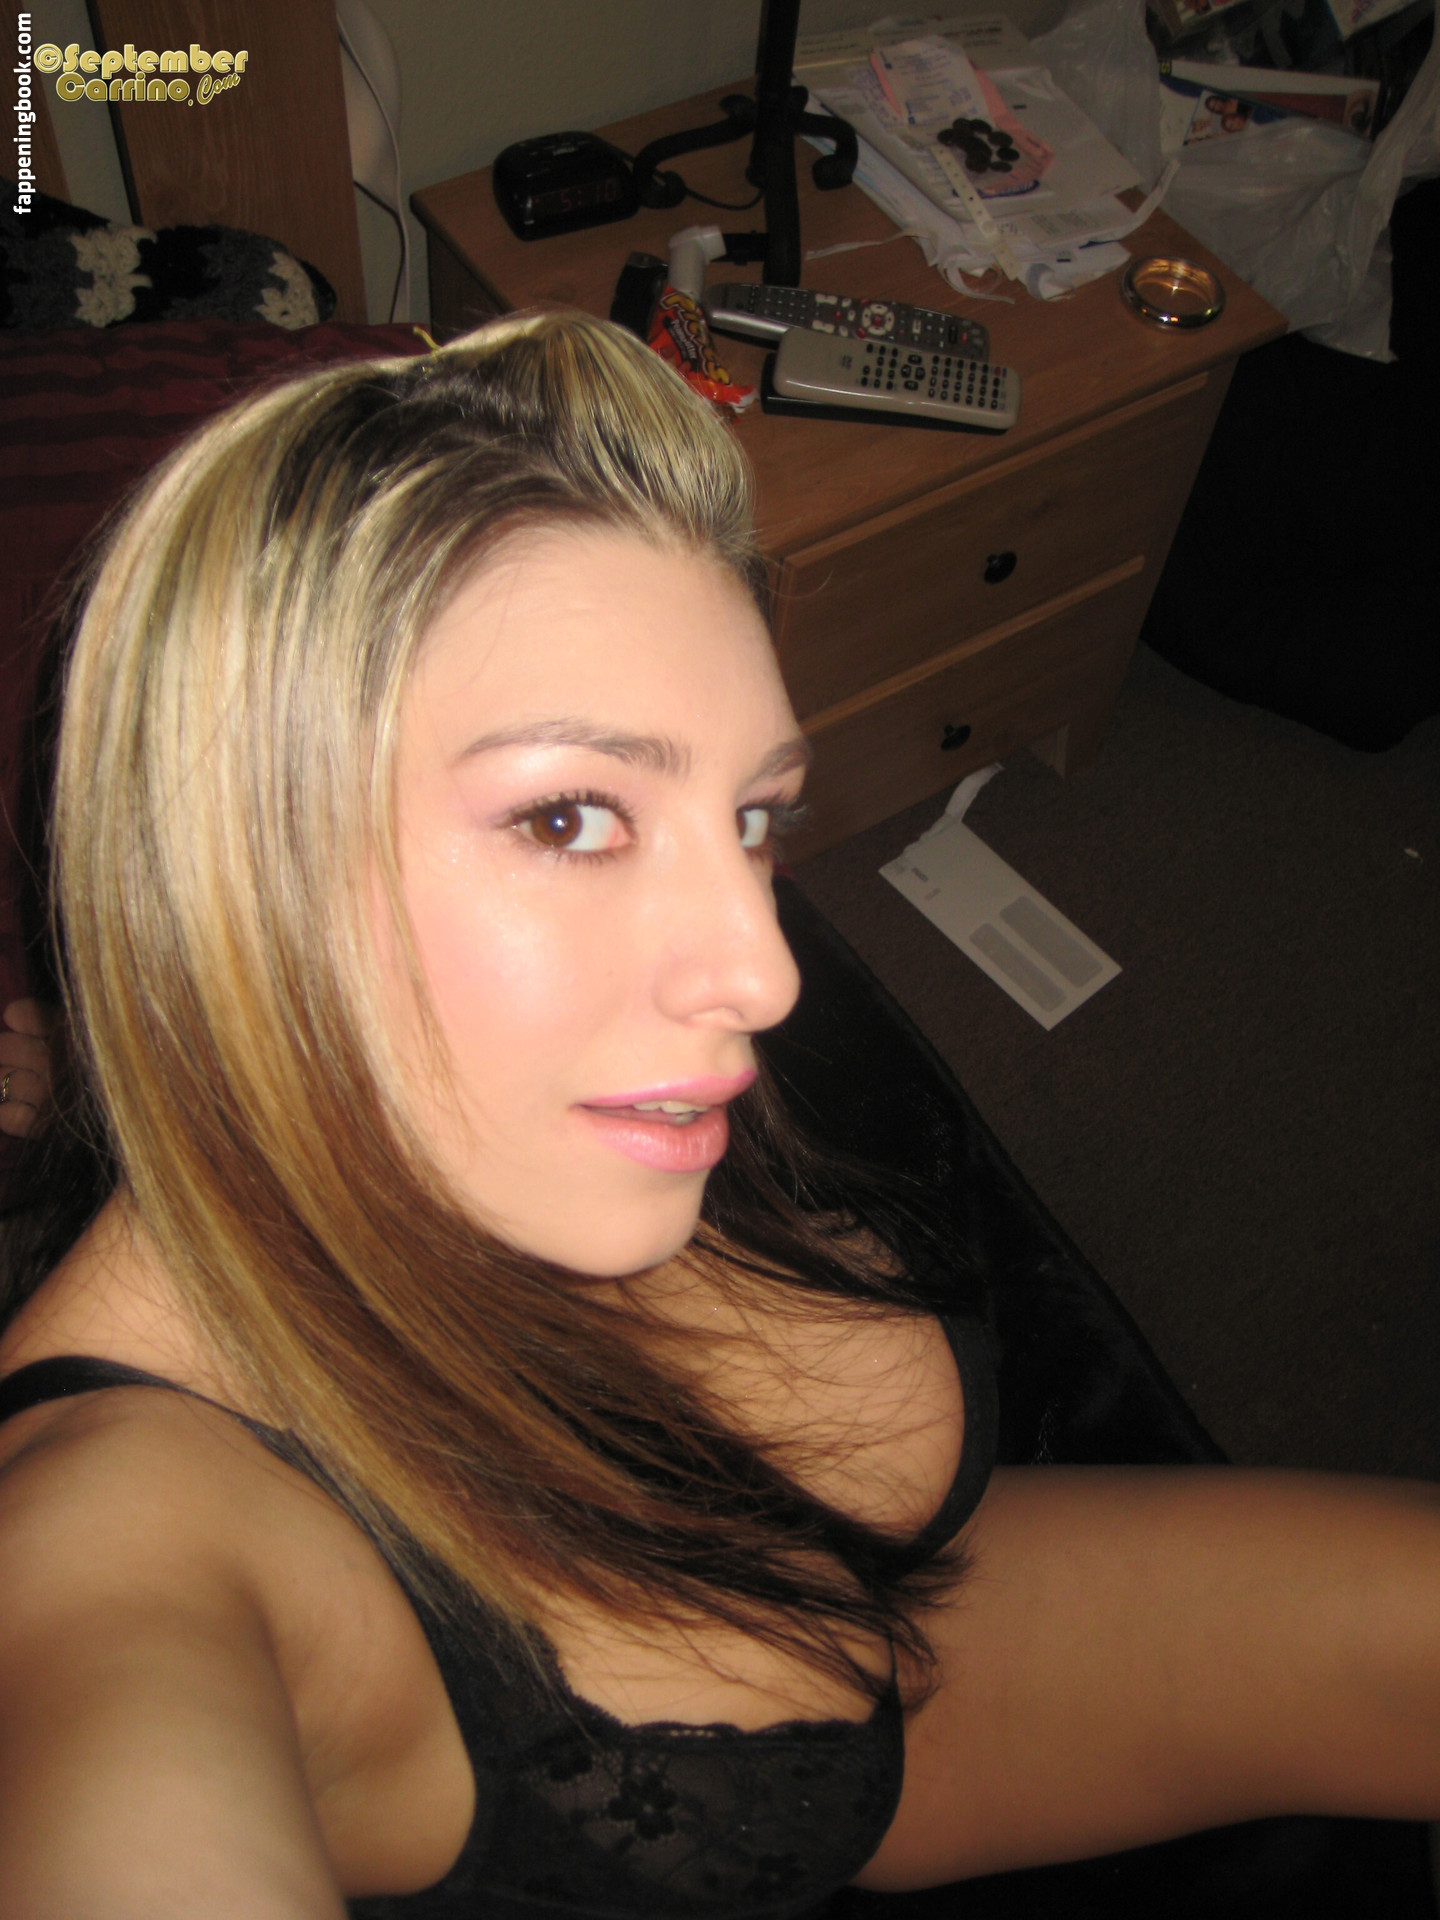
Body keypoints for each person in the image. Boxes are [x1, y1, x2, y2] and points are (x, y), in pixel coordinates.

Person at [0, 310, 1437, 1919]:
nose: (763, 968)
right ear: (230, 870)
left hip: (911, 1626)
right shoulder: (107, 1543)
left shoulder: (492, 1105)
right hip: (782, 1781)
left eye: (752, 814)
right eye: (571, 817)